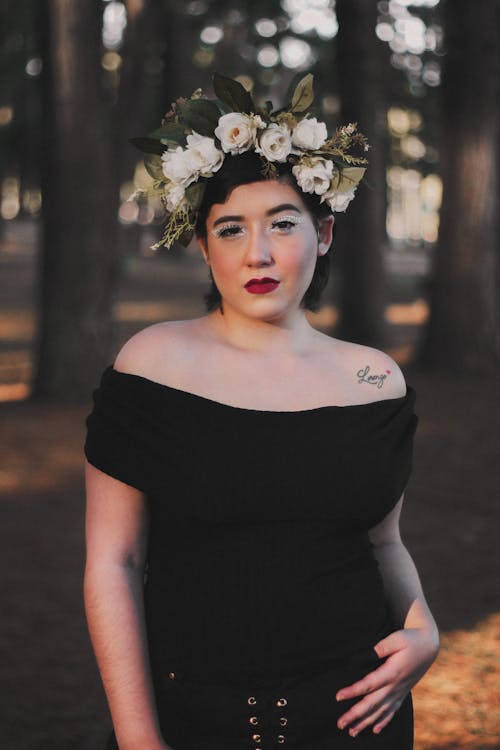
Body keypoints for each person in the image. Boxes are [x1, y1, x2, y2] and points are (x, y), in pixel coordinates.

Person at [83, 74, 439, 750]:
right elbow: (115, 561)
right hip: (191, 720)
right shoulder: (151, 367)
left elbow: (383, 542)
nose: (260, 254)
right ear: (202, 242)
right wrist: (139, 740)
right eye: (231, 229)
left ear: (324, 232)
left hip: (359, 721)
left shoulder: (375, 380)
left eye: (283, 223)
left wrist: (424, 628)